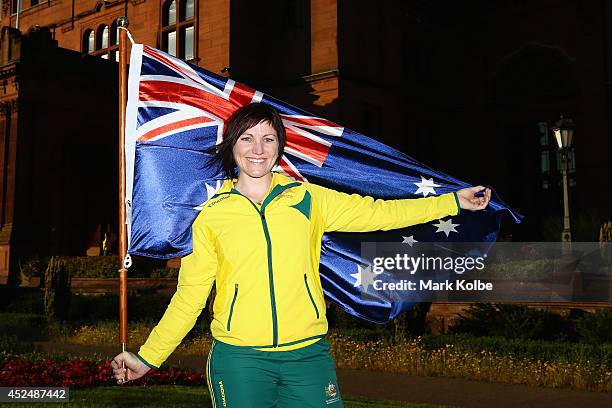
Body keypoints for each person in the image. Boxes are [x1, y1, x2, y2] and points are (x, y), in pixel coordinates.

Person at [110, 103, 491, 407]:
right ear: (232, 145)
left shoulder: (308, 198)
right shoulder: (210, 213)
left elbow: (381, 213)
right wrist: (148, 358)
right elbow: (189, 297)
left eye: (268, 139)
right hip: (241, 361)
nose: (257, 150)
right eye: (247, 139)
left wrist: (451, 202)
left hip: (308, 357)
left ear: (280, 146)